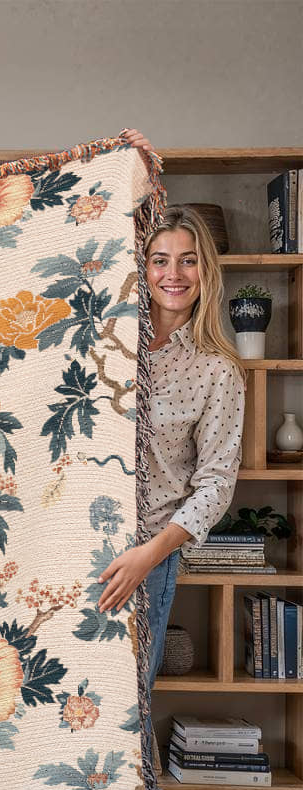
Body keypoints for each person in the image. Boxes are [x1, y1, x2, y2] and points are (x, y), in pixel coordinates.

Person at [98, 129, 246, 692]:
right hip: (70, 537)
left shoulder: (217, 370)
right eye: (159, 260)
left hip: (148, 557)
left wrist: (148, 557)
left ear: (205, 271)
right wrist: (133, 166)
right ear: (142, 266)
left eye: (188, 261)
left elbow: (216, 484)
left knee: (126, 703)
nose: (173, 275)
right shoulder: (102, 340)